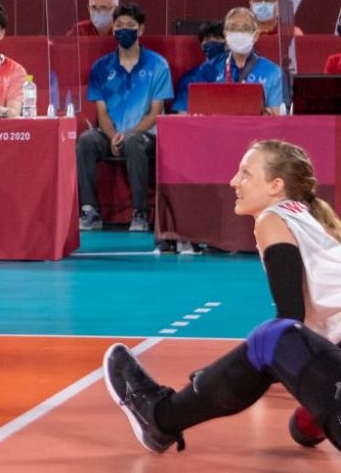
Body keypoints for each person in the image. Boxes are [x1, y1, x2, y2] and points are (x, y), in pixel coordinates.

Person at [102, 140, 341, 453]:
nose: (233, 181)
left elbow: (289, 322)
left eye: (245, 174)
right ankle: (312, 421)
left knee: (272, 338)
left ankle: (159, 416)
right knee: (297, 396)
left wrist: (228, 375)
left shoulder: (274, 218)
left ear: (275, 186)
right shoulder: (314, 221)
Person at [77, 2, 173, 233]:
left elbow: (155, 112)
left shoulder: (158, 65)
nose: (123, 30)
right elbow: (102, 113)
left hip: (146, 136)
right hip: (112, 134)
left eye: (130, 26)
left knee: (133, 142)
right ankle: (90, 210)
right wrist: (112, 137)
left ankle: (140, 213)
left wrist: (128, 134)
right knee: (87, 140)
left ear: (140, 30)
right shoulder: (101, 67)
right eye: (119, 25)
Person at [192, 7, 284, 113]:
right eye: (233, 28)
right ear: (226, 34)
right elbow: (197, 111)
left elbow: (277, 116)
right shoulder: (208, 68)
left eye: (246, 28)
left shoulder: (273, 72)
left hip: (256, 128)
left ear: (256, 35)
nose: (239, 33)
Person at [171, 20, 225, 113]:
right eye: (207, 39)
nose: (211, 42)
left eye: (217, 38)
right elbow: (182, 113)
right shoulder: (189, 78)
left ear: (227, 43)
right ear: (201, 46)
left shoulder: (236, 73)